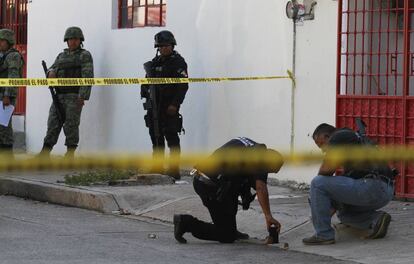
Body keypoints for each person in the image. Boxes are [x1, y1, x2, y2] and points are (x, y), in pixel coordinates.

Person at [173, 137, 284, 243]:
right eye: (269, 170)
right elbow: (261, 188)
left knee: (232, 194)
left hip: (205, 178)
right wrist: (268, 216)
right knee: (226, 236)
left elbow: (238, 171)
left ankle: (230, 228)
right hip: (209, 186)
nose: (266, 174)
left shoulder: (250, 146)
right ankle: (186, 222)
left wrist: (245, 192)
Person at [302, 123, 394, 245]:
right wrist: (331, 204)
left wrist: (320, 201)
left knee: (317, 183)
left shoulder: (338, 137)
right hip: (384, 191)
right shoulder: (352, 139)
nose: (324, 150)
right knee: (344, 214)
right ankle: (376, 219)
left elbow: (326, 170)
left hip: (371, 186)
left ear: (327, 135)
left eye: (322, 145)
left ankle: (324, 234)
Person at [39, 27, 94, 158]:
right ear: (66, 41)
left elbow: (88, 76)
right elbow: (52, 67)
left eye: (76, 39)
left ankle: (70, 154)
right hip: (59, 96)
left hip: (74, 96)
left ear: (80, 40)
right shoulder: (61, 56)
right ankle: (45, 153)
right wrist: (50, 72)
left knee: (71, 125)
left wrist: (82, 96)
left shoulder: (84, 55)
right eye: (70, 39)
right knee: (53, 123)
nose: (73, 41)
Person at [141, 30, 188, 180]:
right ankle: (157, 166)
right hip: (155, 106)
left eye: (166, 45)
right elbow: (146, 82)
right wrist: (146, 95)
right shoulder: (154, 63)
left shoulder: (178, 62)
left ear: (172, 45)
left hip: (169, 106)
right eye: (160, 46)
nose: (163, 48)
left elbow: (183, 86)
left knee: (172, 138)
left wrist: (175, 104)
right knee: (156, 136)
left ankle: (174, 170)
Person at [0, 28, 24, 157]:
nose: (0, 43)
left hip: (6, 96)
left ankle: (8, 157)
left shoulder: (13, 55)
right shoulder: (2, 55)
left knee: (4, 126)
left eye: (2, 41)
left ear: (9, 41)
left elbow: (13, 76)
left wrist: (7, 95)